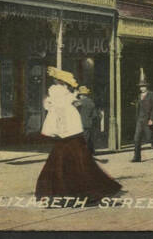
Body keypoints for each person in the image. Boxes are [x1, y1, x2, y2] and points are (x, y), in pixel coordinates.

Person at [36, 66, 121, 203]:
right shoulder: (62, 95)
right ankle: (81, 191)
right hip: (72, 133)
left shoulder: (58, 97)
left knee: (62, 163)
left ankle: (60, 192)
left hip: (65, 135)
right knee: (79, 162)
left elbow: (55, 110)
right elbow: (65, 110)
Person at [132, 71, 153, 162]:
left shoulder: (152, 95)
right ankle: (137, 157)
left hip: (147, 120)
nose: (142, 88)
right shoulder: (139, 96)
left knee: (150, 138)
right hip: (140, 120)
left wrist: (151, 119)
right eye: (141, 87)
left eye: (143, 86)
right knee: (136, 138)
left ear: (147, 86)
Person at [74, 86, 98, 155]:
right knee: (88, 138)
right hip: (88, 124)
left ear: (81, 95)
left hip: (79, 124)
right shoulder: (91, 103)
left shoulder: (78, 103)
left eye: (80, 95)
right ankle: (91, 152)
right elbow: (94, 115)